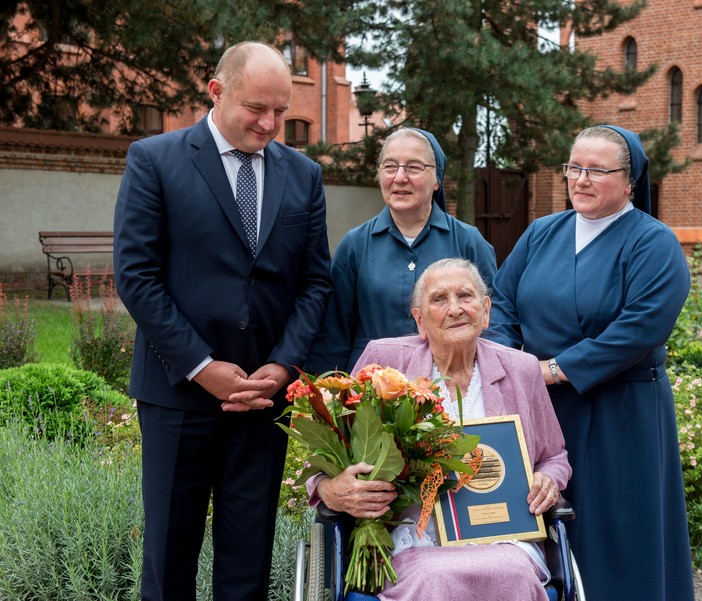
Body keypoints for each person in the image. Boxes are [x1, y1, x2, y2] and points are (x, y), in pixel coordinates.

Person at [113, 41, 332, 600]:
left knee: (247, 565)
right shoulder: (155, 160)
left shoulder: (304, 175)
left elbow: (314, 283)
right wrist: (201, 366)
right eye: (256, 108)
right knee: (169, 559)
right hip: (178, 396)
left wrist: (283, 366)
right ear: (216, 91)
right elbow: (137, 276)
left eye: (280, 111)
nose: (270, 124)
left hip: (262, 400)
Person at [487, 125, 695, 600]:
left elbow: (639, 328)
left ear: (629, 181)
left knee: (617, 533)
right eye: (574, 167)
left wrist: (553, 370)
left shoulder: (654, 243)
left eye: (597, 170)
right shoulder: (542, 232)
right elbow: (501, 302)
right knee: (544, 525)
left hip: (620, 413)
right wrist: (509, 362)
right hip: (542, 408)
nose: (580, 179)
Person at [308, 258, 571, 601]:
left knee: (512, 571)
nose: (455, 309)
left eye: (465, 296)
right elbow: (327, 451)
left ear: (486, 311)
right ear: (419, 320)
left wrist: (548, 479)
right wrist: (331, 488)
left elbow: (554, 456)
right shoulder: (384, 362)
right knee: (433, 577)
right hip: (413, 538)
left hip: (503, 536)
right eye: (439, 299)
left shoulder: (522, 369)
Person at [305, 128, 497, 374]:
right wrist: (326, 390)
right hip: (371, 387)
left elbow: (492, 324)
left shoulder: (468, 242)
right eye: (390, 166)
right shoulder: (355, 245)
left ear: (437, 180)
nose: (399, 177)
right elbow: (333, 335)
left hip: (448, 384)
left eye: (414, 167)